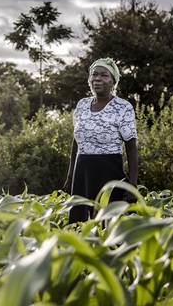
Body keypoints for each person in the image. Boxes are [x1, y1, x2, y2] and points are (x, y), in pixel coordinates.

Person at [64, 57, 138, 223]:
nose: (97, 79)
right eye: (94, 75)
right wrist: (71, 176)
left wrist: (132, 184)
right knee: (78, 224)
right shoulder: (82, 105)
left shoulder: (123, 107)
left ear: (113, 81)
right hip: (82, 171)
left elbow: (131, 148)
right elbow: (76, 143)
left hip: (109, 172)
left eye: (104, 75)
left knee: (108, 224)